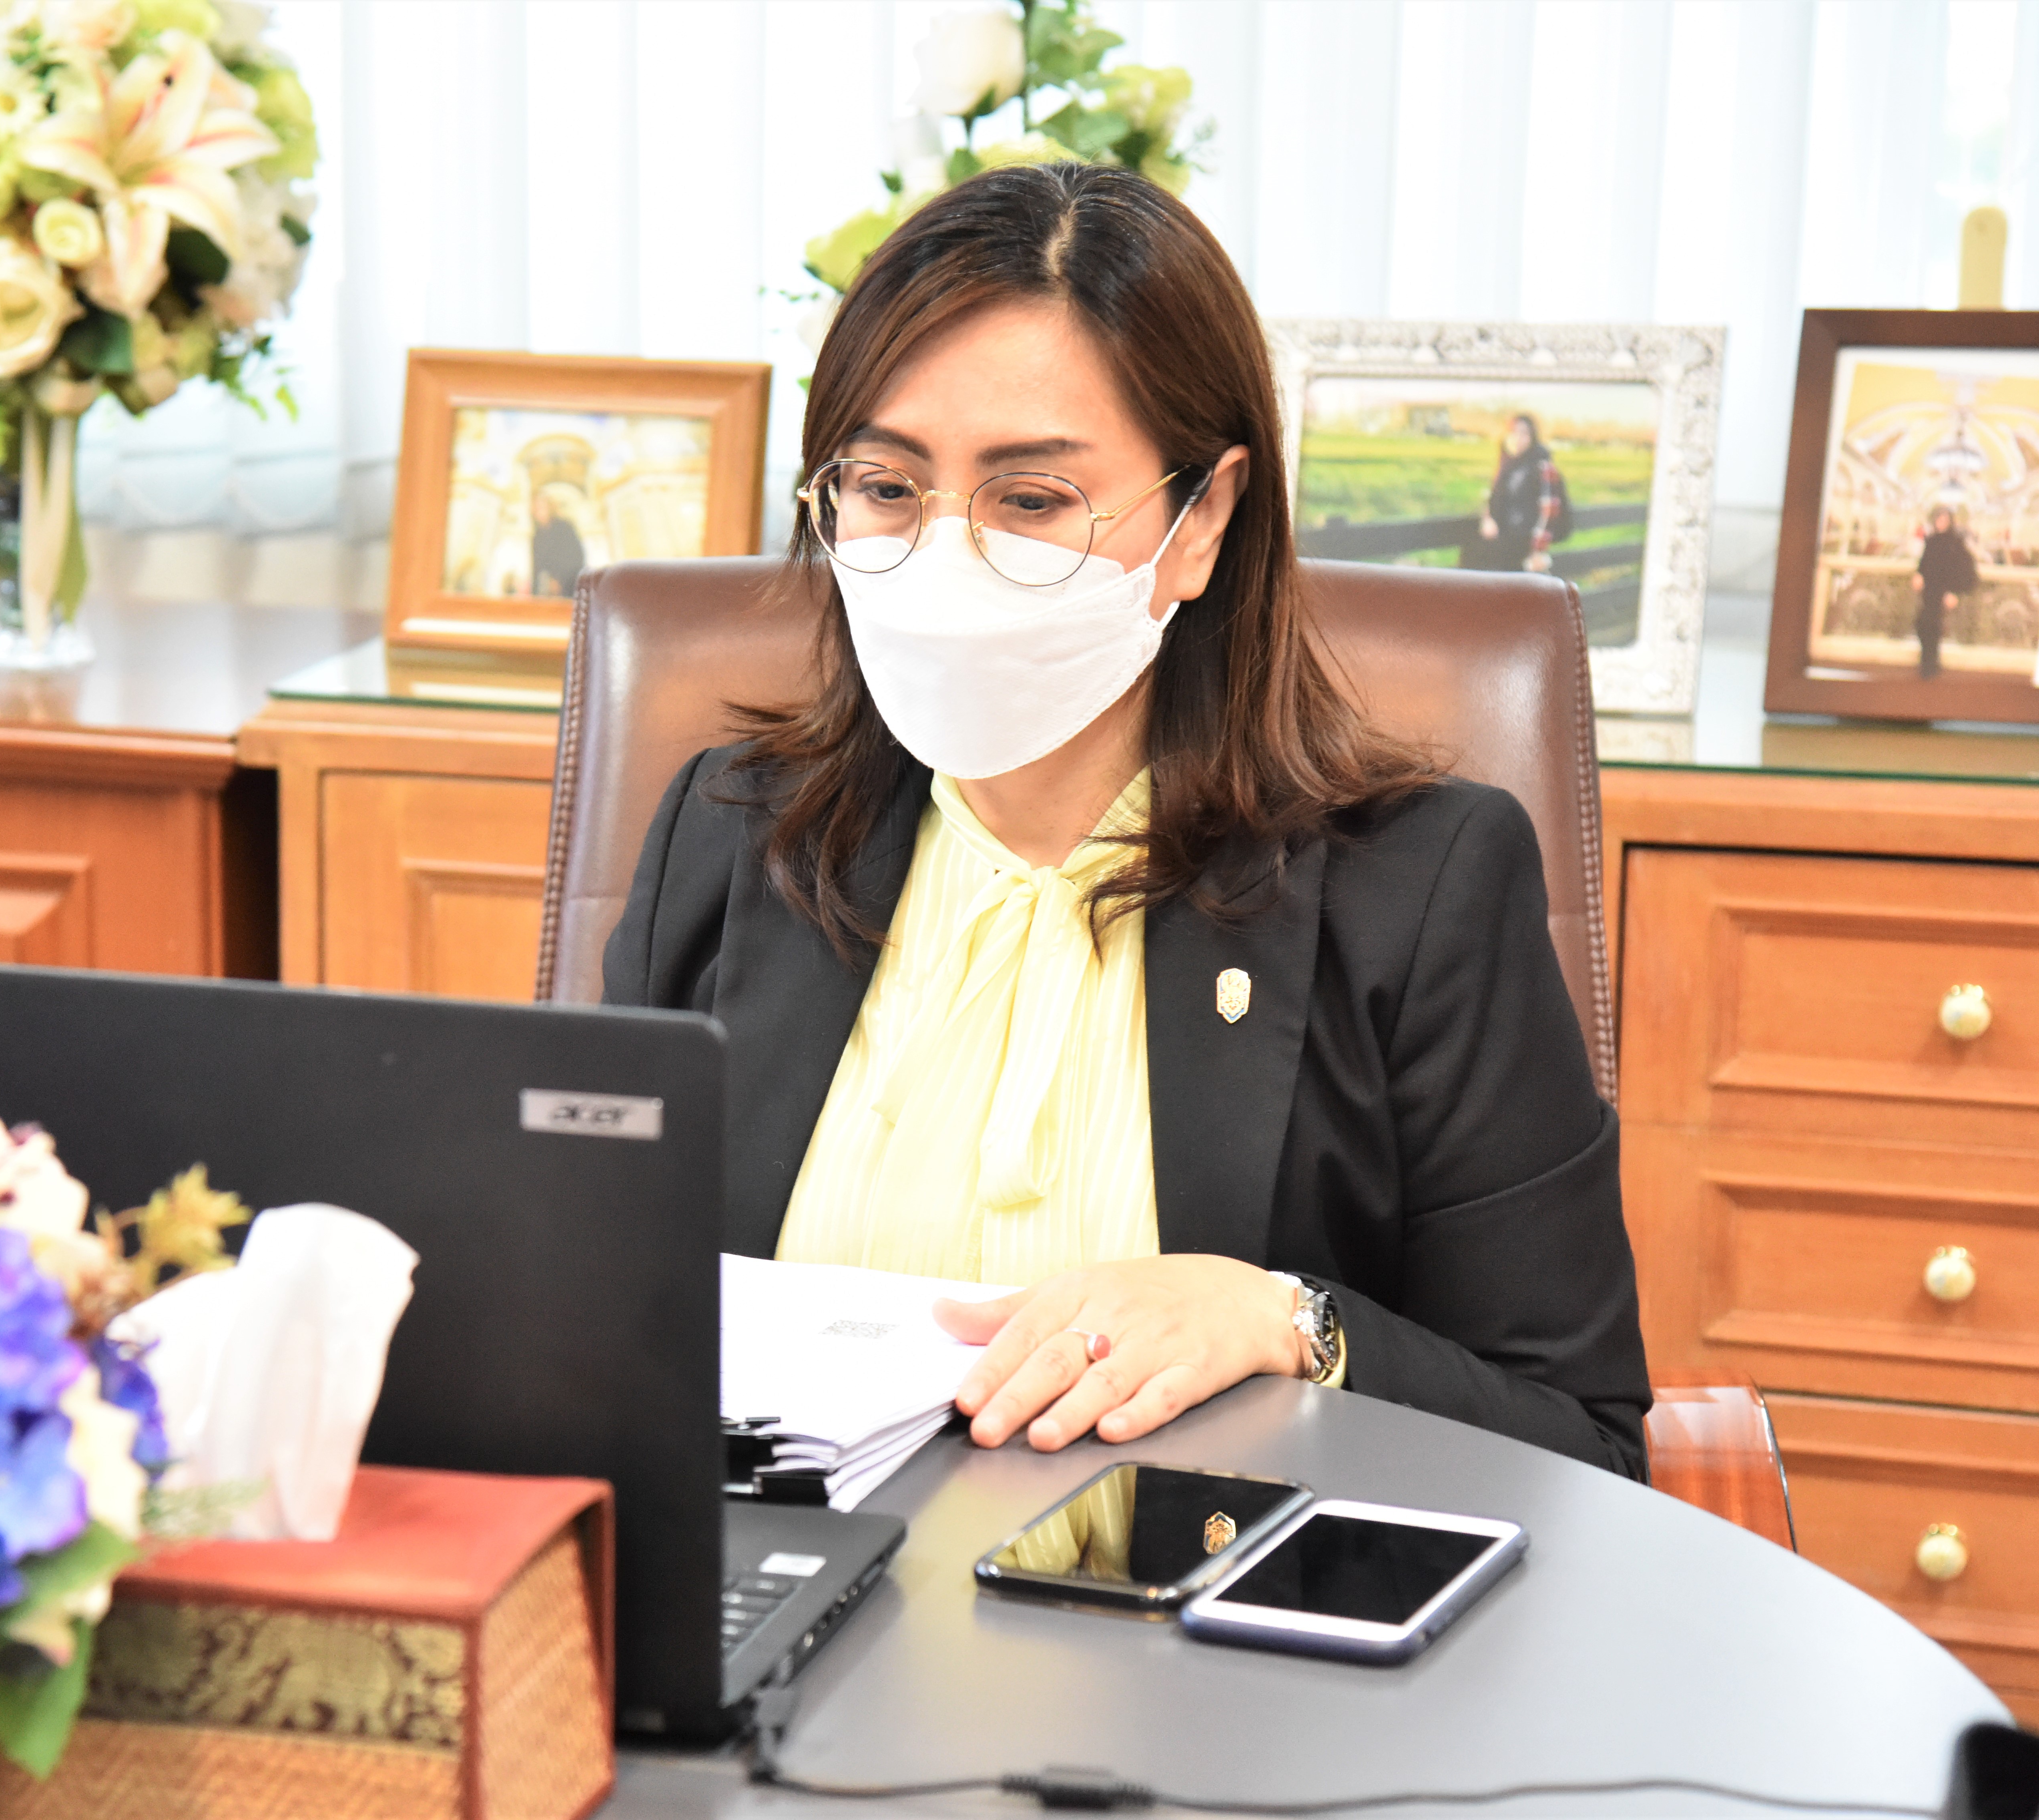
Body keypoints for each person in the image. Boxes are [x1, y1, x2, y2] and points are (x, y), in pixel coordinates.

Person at [604, 163, 1649, 1478]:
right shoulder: (725, 836)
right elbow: (587, 1314)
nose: (942, 558)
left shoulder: (1418, 887)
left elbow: (1580, 1445)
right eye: (883, 486)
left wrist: (1287, 1321)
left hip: (1205, 1591)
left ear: (1200, 519)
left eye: (1030, 501)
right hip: (782, 1590)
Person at [1463, 413, 1562, 573]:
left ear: (1533, 437)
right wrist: (1489, 519)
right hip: (1503, 540)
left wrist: (1537, 551)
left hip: (1524, 545)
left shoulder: (1542, 467)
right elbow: (1495, 498)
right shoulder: (1507, 464)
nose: (1518, 438)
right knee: (1472, 557)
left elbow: (1549, 512)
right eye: (1513, 433)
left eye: (1524, 433)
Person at [1913, 505, 1977, 681]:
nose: (1941, 523)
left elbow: (1964, 570)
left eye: (1944, 521)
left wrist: (1954, 592)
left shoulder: (1955, 543)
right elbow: (1925, 563)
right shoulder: (1932, 540)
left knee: (1932, 626)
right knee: (1924, 625)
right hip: (1930, 590)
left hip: (1944, 592)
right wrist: (1919, 574)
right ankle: (1928, 663)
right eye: (1939, 520)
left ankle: (1930, 666)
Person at [528, 488, 587, 598]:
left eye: (541, 507)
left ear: (550, 507)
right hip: (546, 592)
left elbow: (575, 558)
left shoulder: (565, 528)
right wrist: (534, 594)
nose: (537, 511)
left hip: (569, 588)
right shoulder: (538, 536)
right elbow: (537, 567)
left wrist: (559, 580)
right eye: (535, 508)